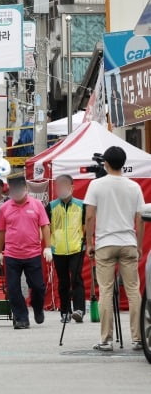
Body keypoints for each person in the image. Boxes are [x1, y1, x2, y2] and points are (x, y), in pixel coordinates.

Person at [84, 146, 145, 352]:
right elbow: (141, 219)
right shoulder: (134, 187)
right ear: (124, 163)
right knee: (133, 291)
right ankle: (138, 338)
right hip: (128, 241)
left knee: (106, 291)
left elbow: (90, 216)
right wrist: (139, 245)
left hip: (105, 243)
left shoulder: (96, 185)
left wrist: (90, 243)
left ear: (106, 164)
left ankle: (106, 339)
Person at [0, 176, 52, 329]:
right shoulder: (5, 208)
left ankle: (38, 307)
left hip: (32, 253)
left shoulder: (37, 205)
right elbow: (0, 231)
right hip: (12, 254)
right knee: (13, 288)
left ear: (26, 189)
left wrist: (48, 247)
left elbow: (45, 226)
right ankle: (21, 318)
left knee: (38, 287)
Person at [46, 175, 86, 323]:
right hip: (58, 249)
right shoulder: (51, 206)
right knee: (63, 282)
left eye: (65, 185)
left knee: (76, 278)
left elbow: (85, 226)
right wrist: (48, 247)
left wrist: (85, 242)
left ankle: (79, 310)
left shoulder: (81, 205)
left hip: (77, 247)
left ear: (72, 187)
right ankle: (65, 311)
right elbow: (45, 227)